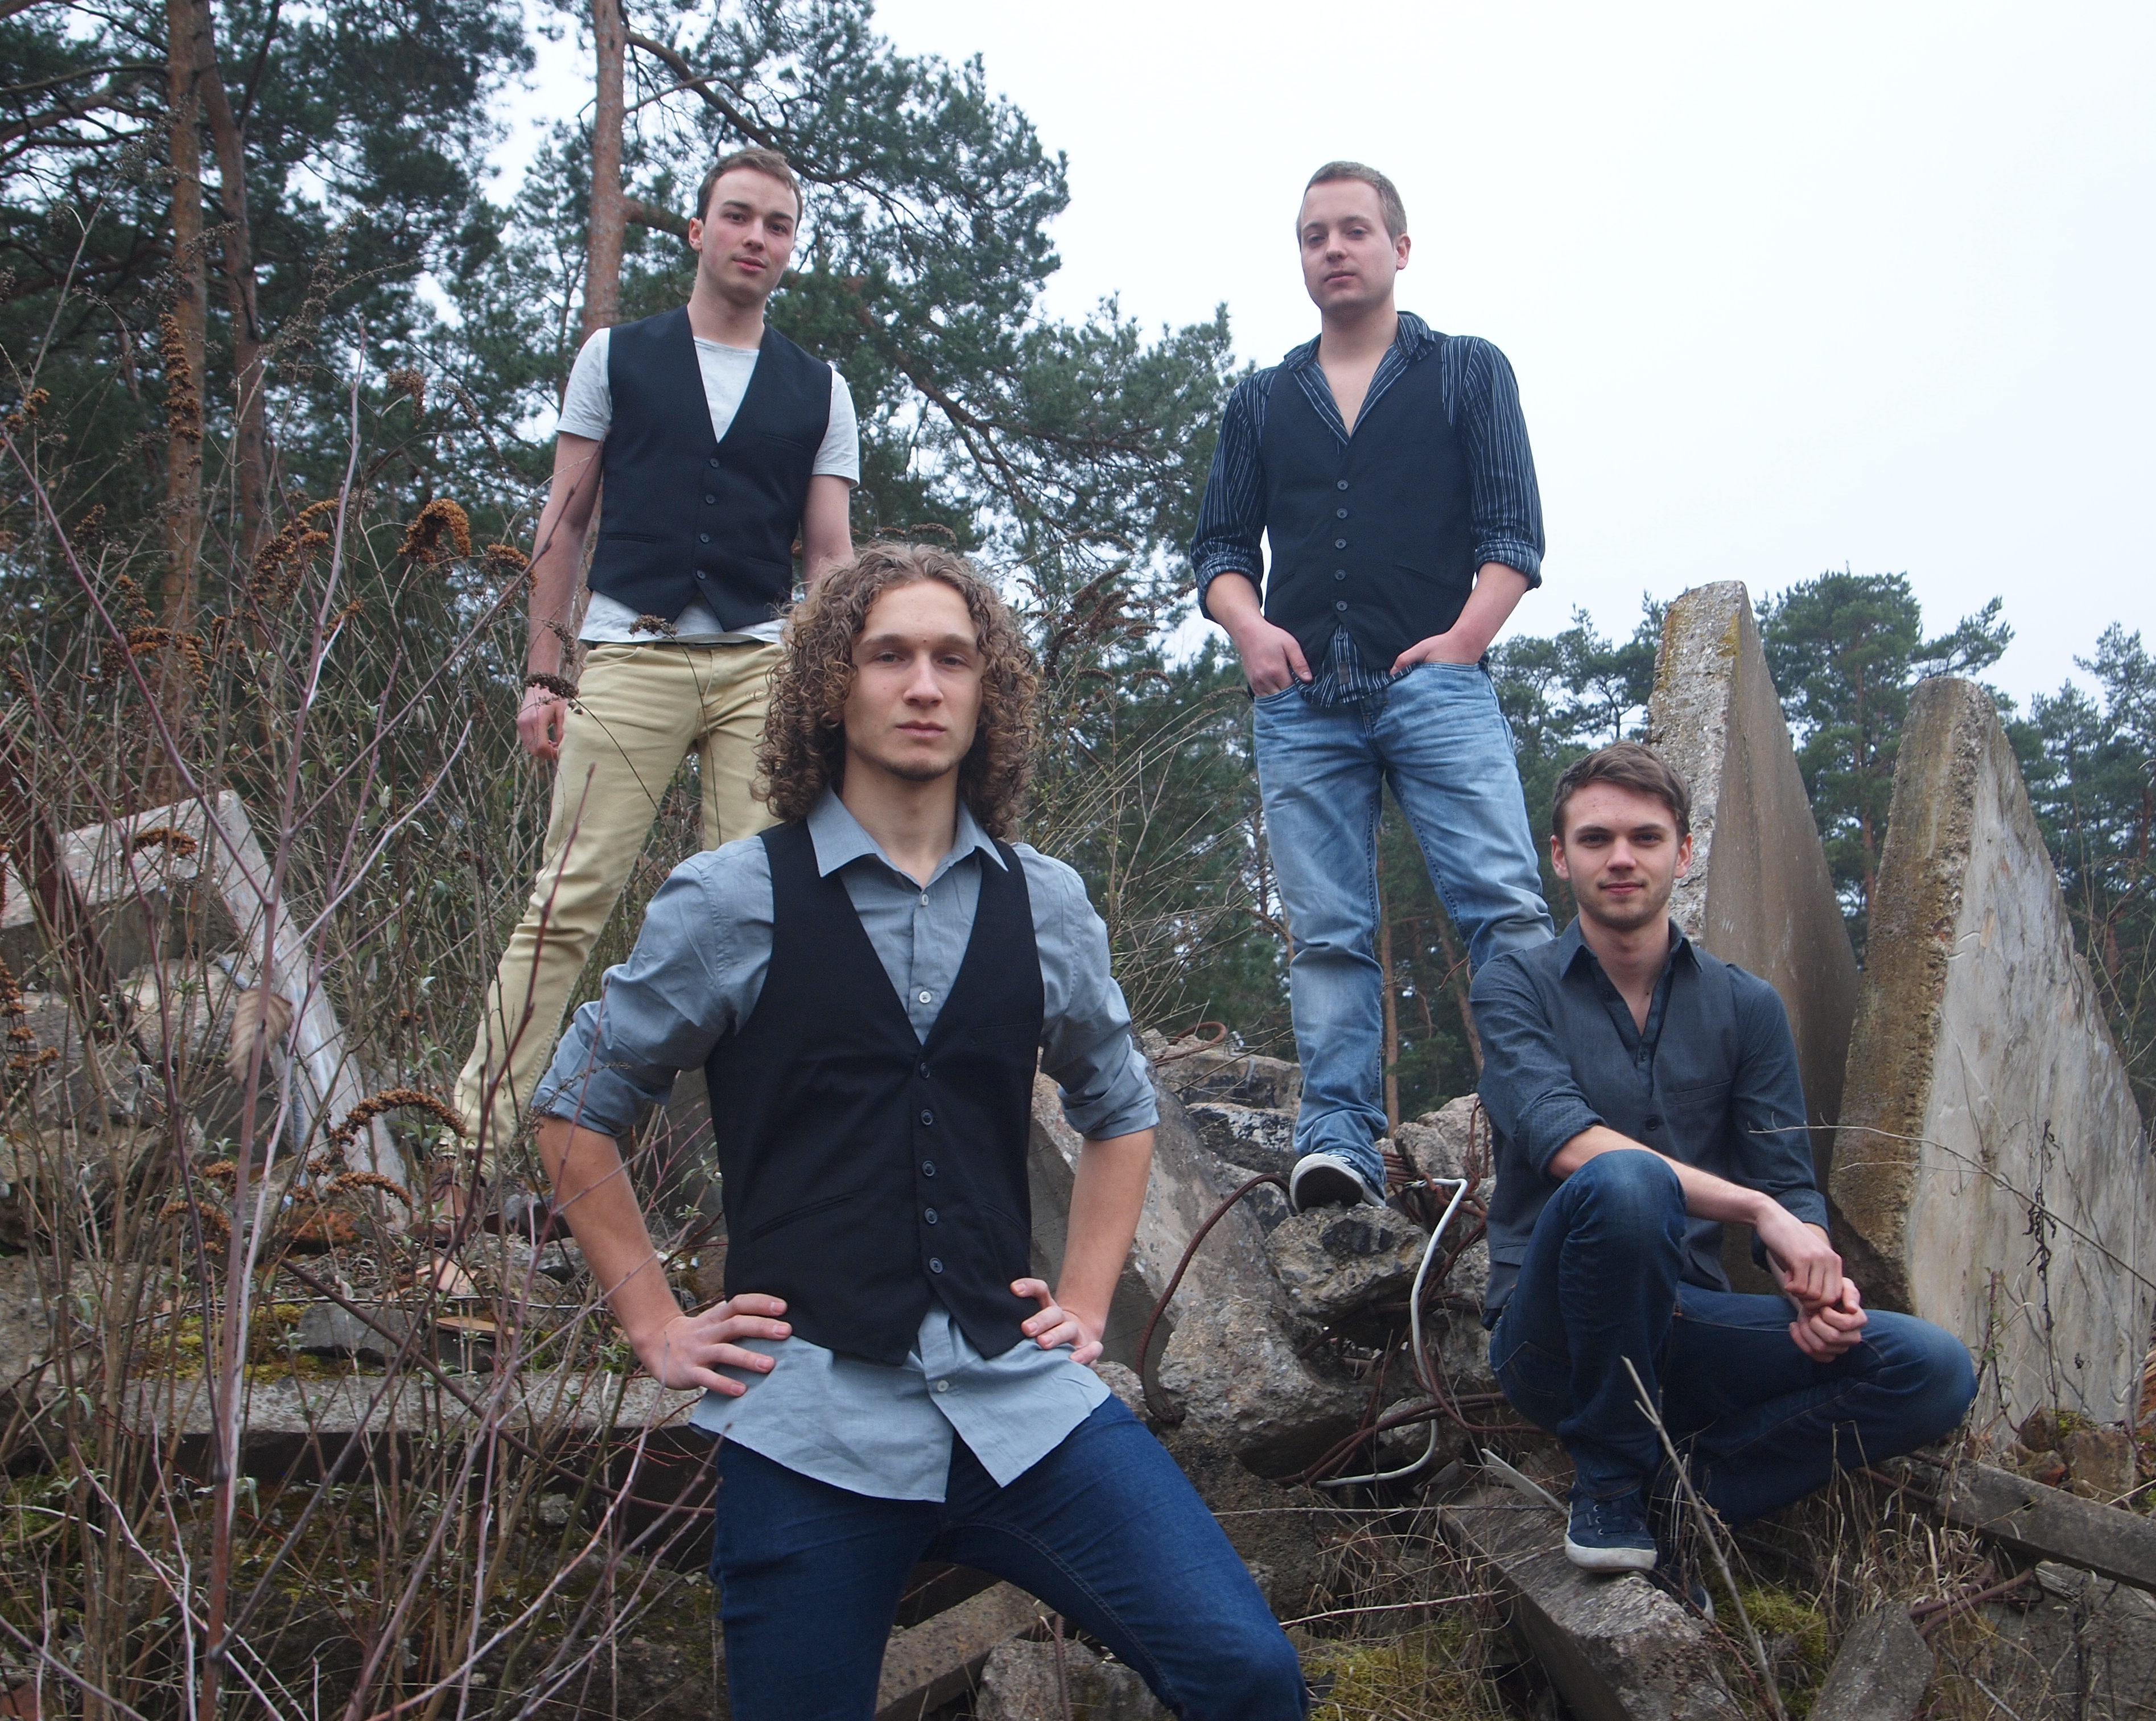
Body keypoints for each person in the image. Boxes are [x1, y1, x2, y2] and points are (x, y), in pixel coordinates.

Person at [531, 544, 1307, 1721]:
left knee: (1246, 1674)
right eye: (888, 656)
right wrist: (655, 1322)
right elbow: (574, 1105)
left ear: (990, 692)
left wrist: (1085, 1304)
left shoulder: (1046, 903)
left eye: (954, 658)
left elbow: (1119, 1106)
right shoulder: (733, 897)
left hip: (1021, 1410)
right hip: (809, 1426)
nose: (925, 685)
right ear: (832, 687)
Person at [1472, 742, 1976, 1601]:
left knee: (1931, 1369)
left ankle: (1682, 1504)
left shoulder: (1747, 1006)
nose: (1621, 858)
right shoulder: (1513, 986)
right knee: (1626, 1182)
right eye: (1595, 839)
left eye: (1645, 837)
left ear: (1683, 852)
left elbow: (1787, 1176)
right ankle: (1608, 1483)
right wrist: (1758, 1211)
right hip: (1552, 1336)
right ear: (1560, 857)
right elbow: (1565, 1141)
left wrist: (1813, 1276)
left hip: (1689, 1325)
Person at [453, 146, 858, 1167]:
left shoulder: (820, 389)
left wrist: (825, 694)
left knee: (761, 918)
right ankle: (469, 1152)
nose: (757, 237)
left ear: (791, 248)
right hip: (629, 654)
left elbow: (830, 559)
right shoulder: (616, 357)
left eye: (777, 225)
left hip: (762, 669)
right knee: (568, 899)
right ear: (698, 230)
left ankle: (756, 1176)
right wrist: (544, 674)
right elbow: (564, 524)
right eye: (739, 216)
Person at [1190, 159, 1554, 1213]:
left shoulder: (1468, 370)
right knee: (1328, 937)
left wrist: (1464, 643)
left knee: (1503, 909)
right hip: (1301, 702)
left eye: (1354, 230)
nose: (1334, 249)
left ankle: (1545, 1118)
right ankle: (1338, 1142)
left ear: (1399, 247)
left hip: (1436, 687)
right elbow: (1220, 549)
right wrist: (1249, 628)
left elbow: (1513, 535)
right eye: (1315, 236)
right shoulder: (1262, 401)